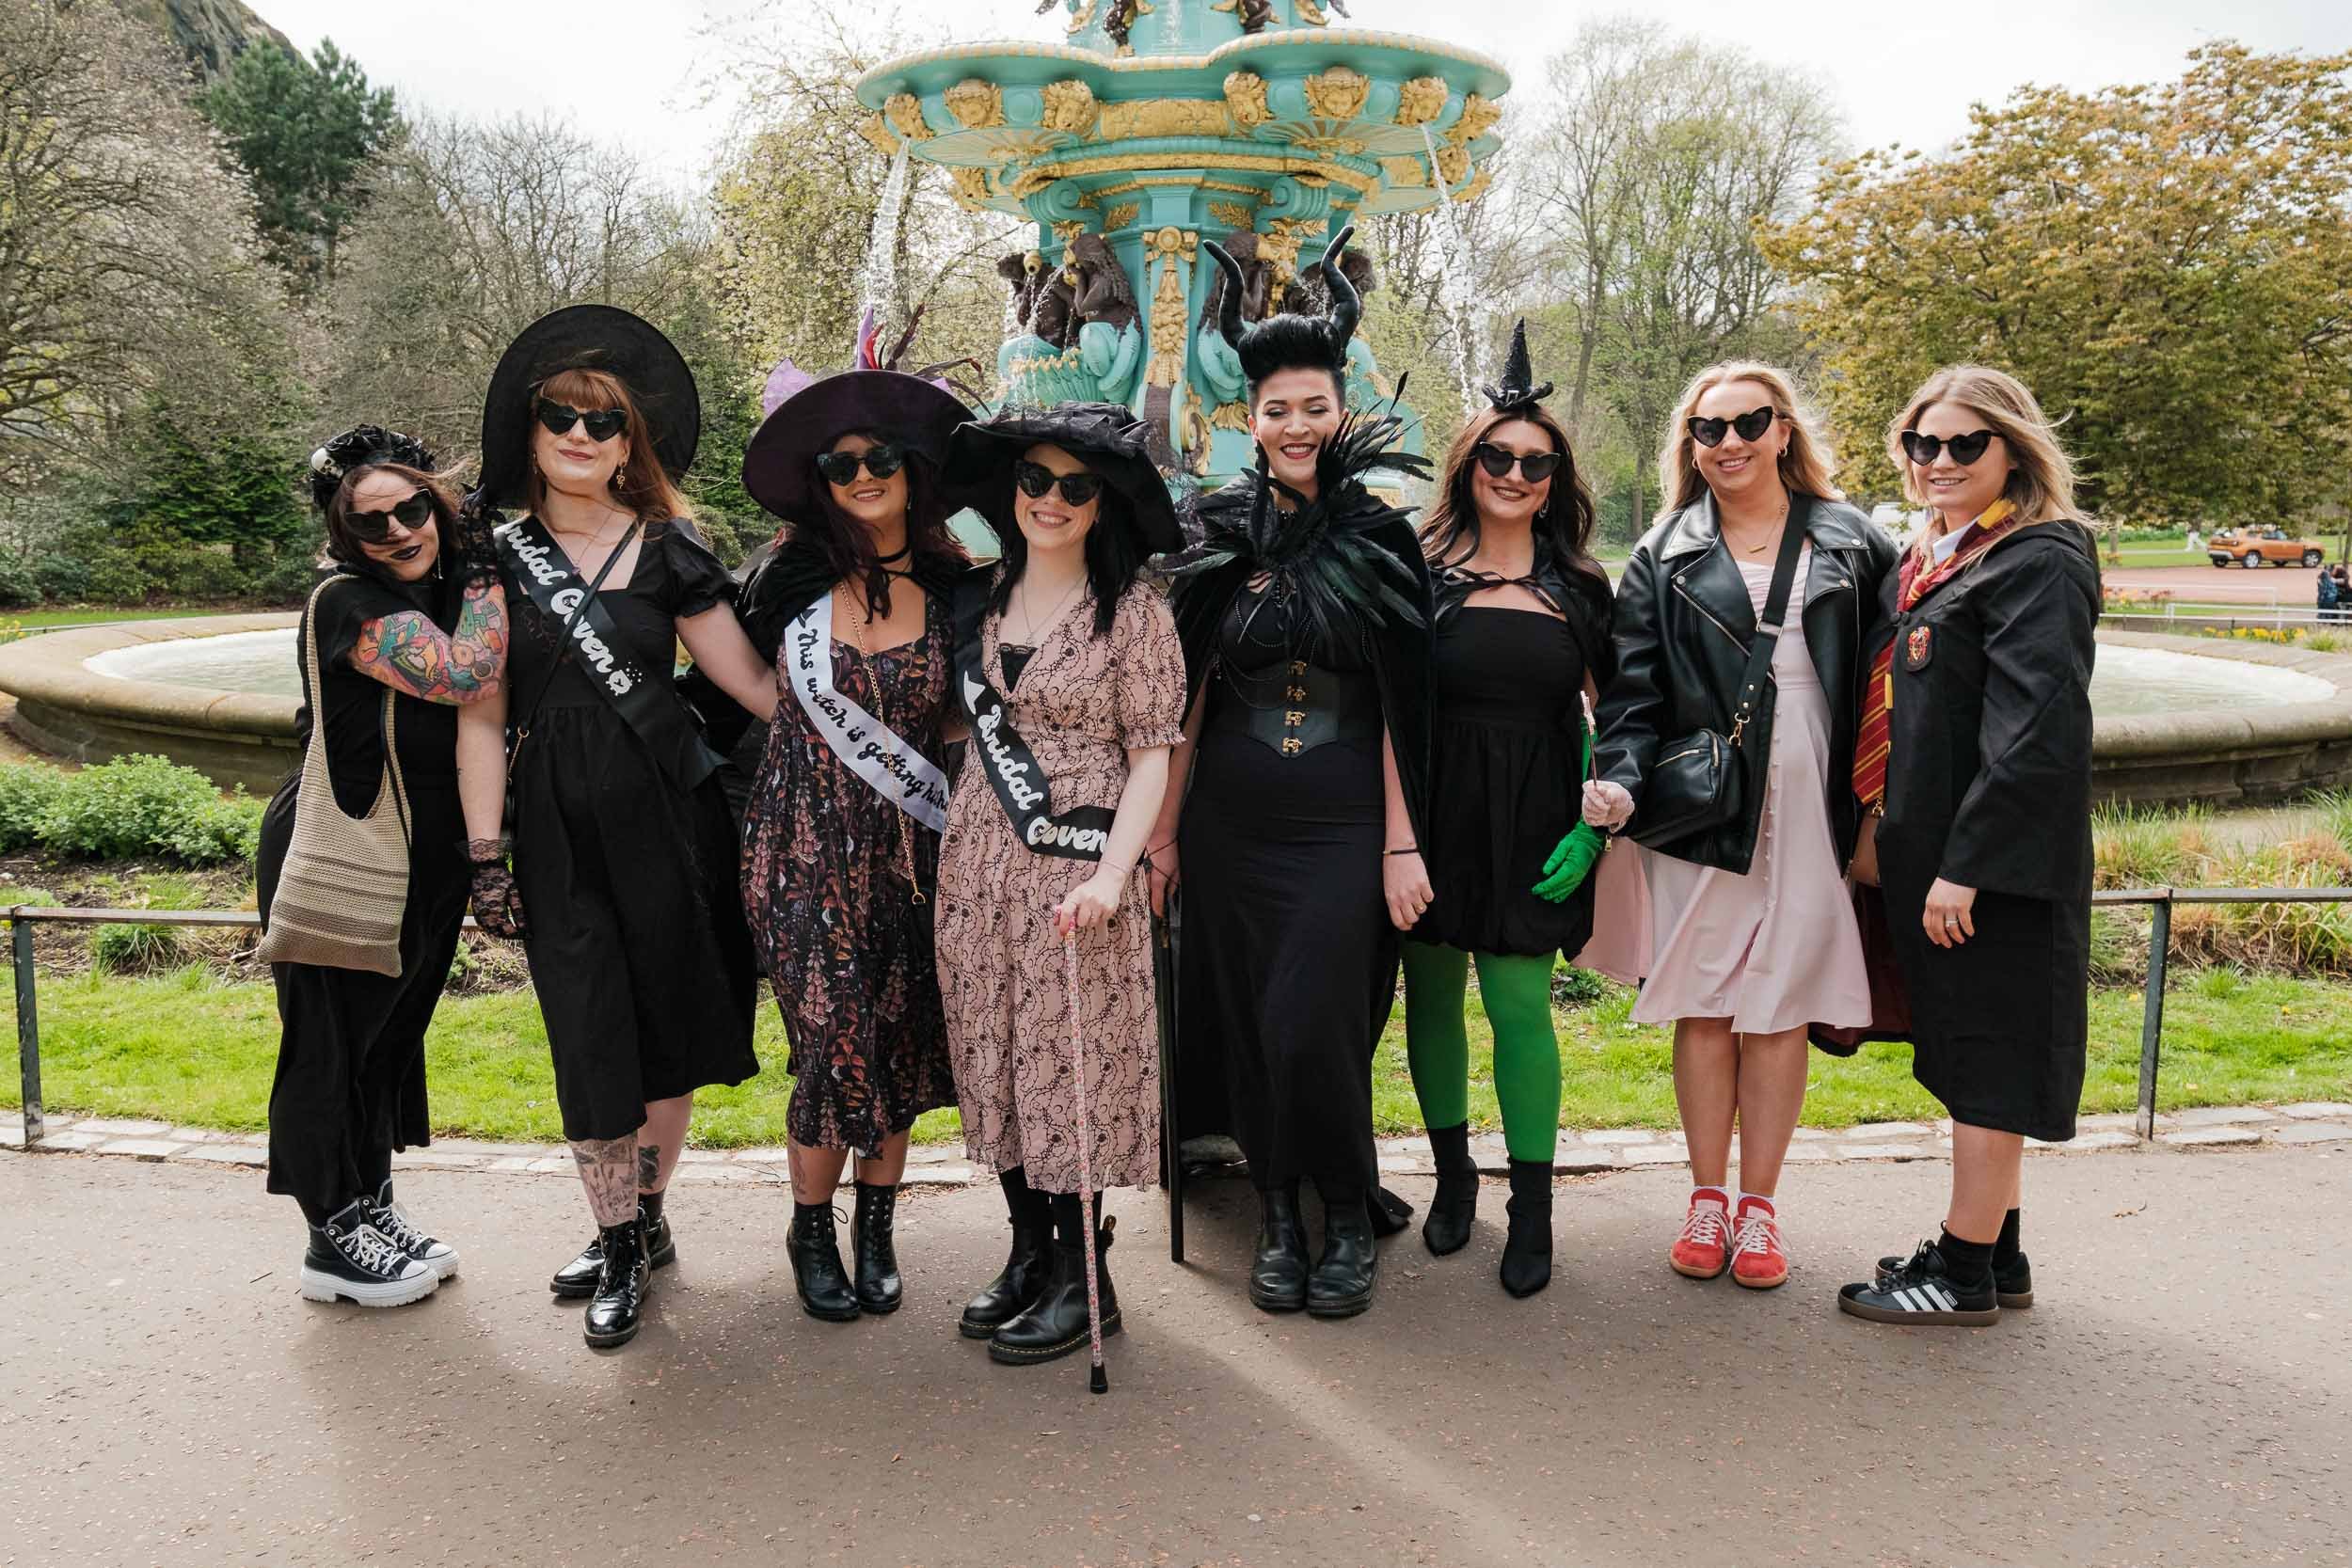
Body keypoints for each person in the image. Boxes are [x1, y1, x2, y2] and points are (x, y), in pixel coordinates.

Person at [455, 306, 778, 1349]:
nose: (583, 438)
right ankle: (622, 1239)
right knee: (588, 1031)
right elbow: (481, 714)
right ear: (532, 428)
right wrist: (483, 854)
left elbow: (756, 688)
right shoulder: (493, 562)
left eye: (605, 425)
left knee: (665, 1025)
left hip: (669, 819)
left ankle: (637, 1223)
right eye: (563, 417)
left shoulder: (671, 550)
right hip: (552, 823)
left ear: (630, 442)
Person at [1152, 225, 1435, 1321]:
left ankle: (1346, 1207)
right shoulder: (1214, 527)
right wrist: (1167, 834)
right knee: (1251, 1019)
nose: (1297, 424)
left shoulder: (1380, 533)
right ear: (1251, 419)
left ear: (1340, 405)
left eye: (1314, 404)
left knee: (1316, 1016)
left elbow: (1403, 704)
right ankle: (1277, 1210)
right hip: (1228, 820)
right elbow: (1181, 699)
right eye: (1277, 409)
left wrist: (1404, 841)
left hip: (1344, 820)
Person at [1585, 361, 1895, 1292]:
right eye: (1707, 430)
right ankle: (1705, 1195)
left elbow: (1889, 686)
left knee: (1781, 1000)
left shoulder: (1853, 540)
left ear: (1782, 430)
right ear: (1690, 445)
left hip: (1813, 784)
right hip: (1706, 797)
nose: (1727, 443)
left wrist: (1883, 805)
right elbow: (1632, 692)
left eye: (1746, 423)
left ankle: (1759, 1204)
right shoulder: (1662, 549)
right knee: (1708, 995)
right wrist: (1617, 779)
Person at [1836, 366, 2100, 1325]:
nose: (1936, 462)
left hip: (1990, 869)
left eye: (1962, 445)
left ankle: (1961, 1268)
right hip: (1933, 855)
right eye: (1920, 444)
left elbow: (2037, 731)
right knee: (1967, 1047)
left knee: (1988, 1051)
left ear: (2012, 453)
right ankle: (2001, 1247)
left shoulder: (2039, 557)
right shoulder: (1935, 558)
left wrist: (1965, 866)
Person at [934, 402, 1187, 1372]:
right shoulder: (981, 597)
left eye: (1073, 486)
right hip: (980, 863)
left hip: (1080, 866)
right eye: (1034, 480)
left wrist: (1116, 874)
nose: (1049, 499)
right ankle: (1029, 1250)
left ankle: (1088, 1277)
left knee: (1067, 1063)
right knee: (997, 1051)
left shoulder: (1136, 610)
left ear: (1102, 502)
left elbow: (1155, 756)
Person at [732, 341, 972, 1322]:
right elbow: (732, 686)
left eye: (881, 458)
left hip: (911, 853)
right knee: (831, 1038)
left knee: (898, 1035)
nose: (864, 475)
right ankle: (812, 1228)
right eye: (842, 464)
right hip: (796, 845)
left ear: (913, 472)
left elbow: (972, 720)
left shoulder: (963, 593)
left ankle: (878, 1228)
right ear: (820, 482)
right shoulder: (783, 587)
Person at [262, 426, 508, 1308]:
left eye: (415, 508)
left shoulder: (433, 587)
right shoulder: (346, 601)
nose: (402, 530)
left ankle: (368, 1203)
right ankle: (330, 1237)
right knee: (330, 1041)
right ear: (344, 535)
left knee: (386, 1042)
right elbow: (464, 674)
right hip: (346, 845)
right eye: (375, 523)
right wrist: (483, 565)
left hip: (424, 858)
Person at [1402, 325, 1614, 1300]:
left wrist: (1597, 822)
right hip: (1432, 815)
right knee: (1435, 997)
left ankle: (1533, 1207)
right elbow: (1381, 709)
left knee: (1520, 1006)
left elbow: (1624, 715)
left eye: (1536, 461)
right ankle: (1453, 1179)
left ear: (1555, 475)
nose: (1514, 472)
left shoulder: (1579, 586)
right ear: (1466, 463)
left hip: (1535, 817)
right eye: (1496, 454)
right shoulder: (1414, 566)